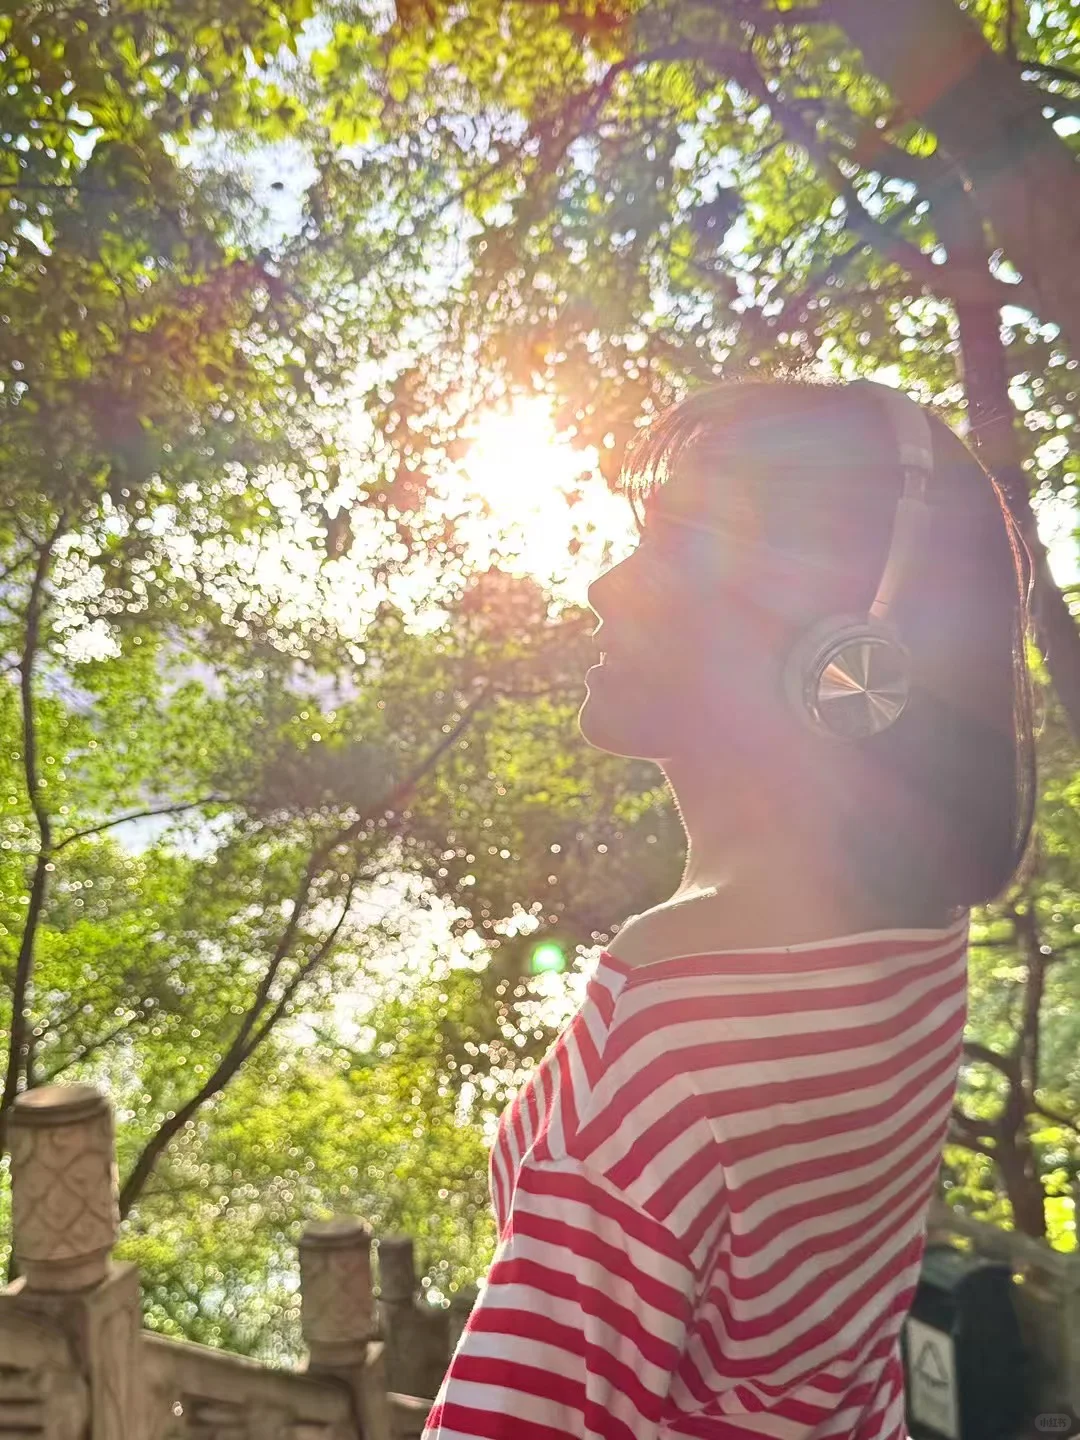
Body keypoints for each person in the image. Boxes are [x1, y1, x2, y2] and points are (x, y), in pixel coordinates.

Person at [421, 379, 1034, 1440]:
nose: (602, 585)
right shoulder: (913, 928)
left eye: (676, 549)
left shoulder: (670, 1023)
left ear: (845, 653)